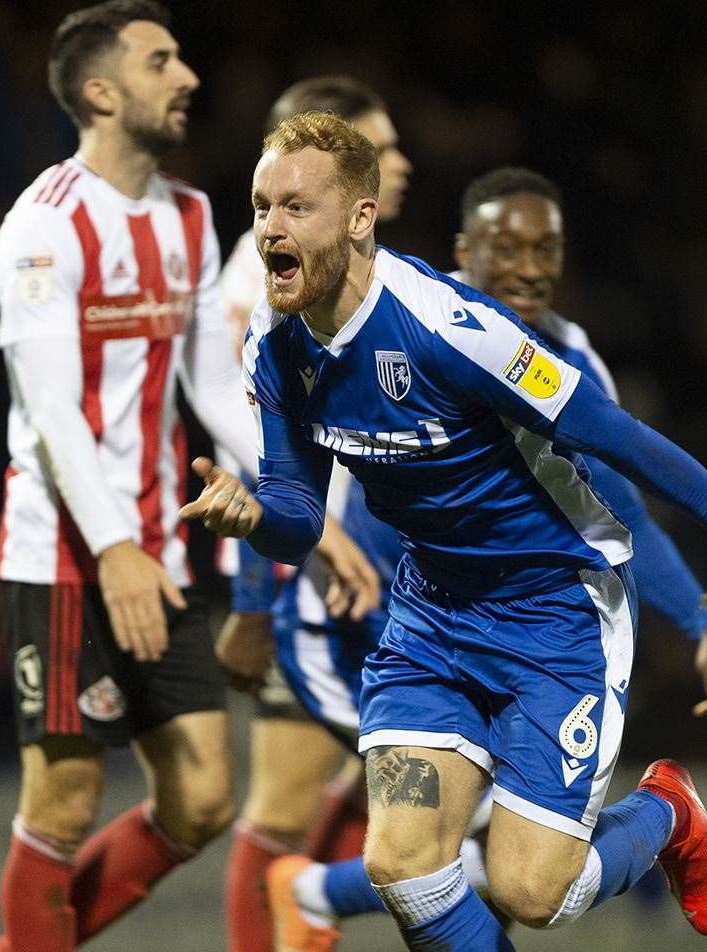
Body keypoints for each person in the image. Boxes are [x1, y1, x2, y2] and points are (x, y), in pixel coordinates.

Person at [181, 112, 707, 952]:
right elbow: (297, 517)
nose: (270, 230)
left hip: (557, 610)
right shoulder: (276, 344)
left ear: (361, 217)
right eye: (260, 207)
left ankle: (668, 810)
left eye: (295, 208)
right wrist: (252, 519)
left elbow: (621, 440)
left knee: (534, 891)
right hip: (431, 612)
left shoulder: (454, 331)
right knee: (402, 865)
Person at [0, 3, 260, 949]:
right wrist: (111, 550)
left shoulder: (189, 215)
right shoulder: (42, 227)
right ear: (101, 93)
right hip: (65, 553)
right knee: (63, 801)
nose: (187, 76)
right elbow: (52, 408)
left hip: (159, 549)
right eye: (161, 61)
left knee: (204, 795)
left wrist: (299, 489)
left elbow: (215, 385)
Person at [451, 166, 707, 733]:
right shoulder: (407, 324)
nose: (529, 270)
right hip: (377, 608)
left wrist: (706, 623)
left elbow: (623, 516)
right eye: (507, 249)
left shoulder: (575, 361)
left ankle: (661, 812)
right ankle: (664, 813)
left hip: (507, 635)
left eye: (546, 250)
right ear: (464, 250)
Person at [214, 75, 412, 952]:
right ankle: (304, 911)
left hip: (365, 570)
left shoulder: (370, 276)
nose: (398, 162)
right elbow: (245, 448)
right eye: (377, 146)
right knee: (298, 800)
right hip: (310, 573)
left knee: (386, 794)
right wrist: (263, 599)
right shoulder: (263, 288)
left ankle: (314, 909)